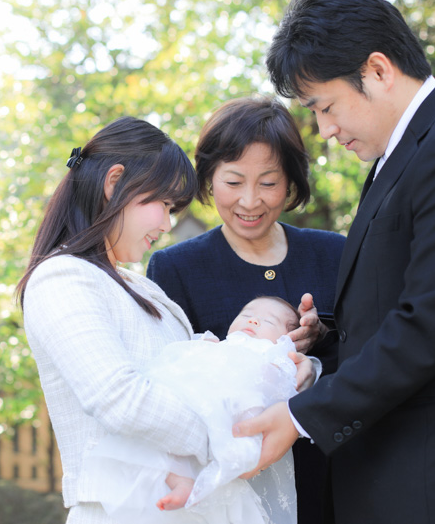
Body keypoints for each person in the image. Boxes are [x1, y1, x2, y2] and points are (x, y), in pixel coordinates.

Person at [234, 0, 435, 524]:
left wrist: (299, 417)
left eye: (325, 107)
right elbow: (403, 301)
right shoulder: (401, 158)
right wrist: (325, 337)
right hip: (397, 476)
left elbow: (431, 324)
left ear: (376, 70)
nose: (323, 130)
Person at [16, 116, 315, 524]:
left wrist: (289, 370)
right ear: (114, 182)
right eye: (163, 205)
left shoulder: (140, 287)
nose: (167, 224)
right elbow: (119, 397)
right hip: (125, 510)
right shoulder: (63, 277)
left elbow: (208, 378)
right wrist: (231, 444)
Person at [147, 95, 345, 524]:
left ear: (291, 182)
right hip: (229, 495)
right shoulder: (175, 268)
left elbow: (372, 358)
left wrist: (316, 359)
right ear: (209, 180)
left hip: (332, 482)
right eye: (233, 182)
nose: (250, 201)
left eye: (268, 182)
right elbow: (168, 382)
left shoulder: (336, 255)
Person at [82, 296, 309, 524]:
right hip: (193, 405)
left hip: (237, 413)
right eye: (246, 315)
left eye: (268, 321)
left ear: (287, 339)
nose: (254, 322)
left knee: (238, 431)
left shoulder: (273, 354)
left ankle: (213, 471)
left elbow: (286, 388)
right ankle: (181, 482)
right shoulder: (218, 344)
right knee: (167, 445)